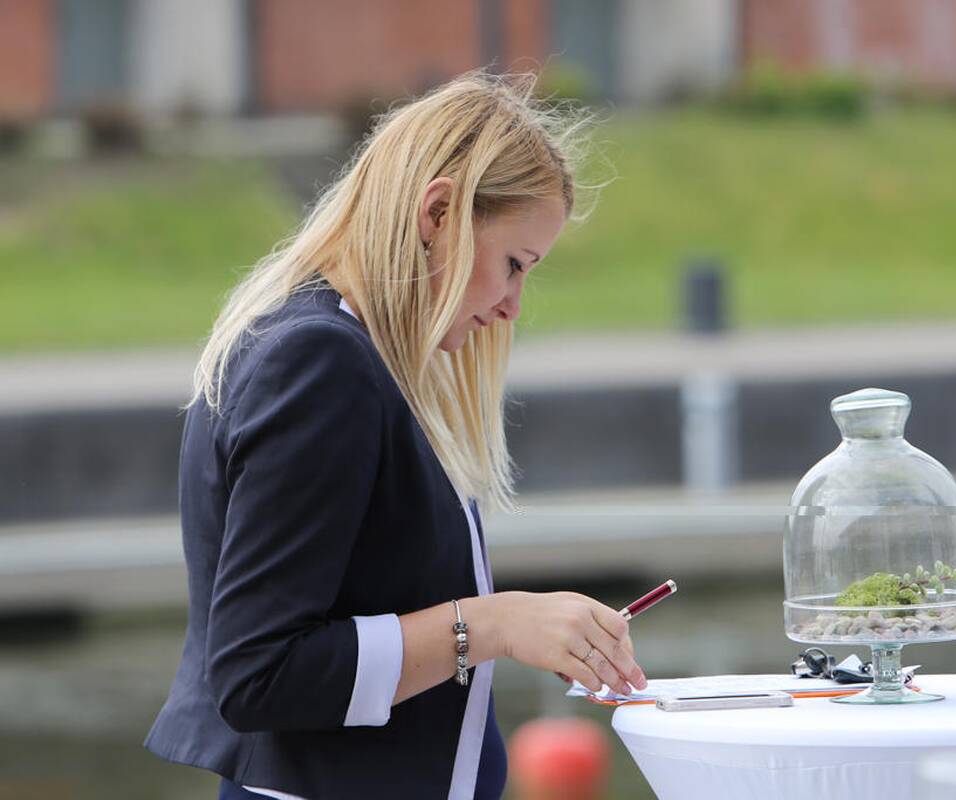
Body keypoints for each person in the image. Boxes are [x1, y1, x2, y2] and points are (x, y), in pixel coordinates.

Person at [144, 71, 647, 800]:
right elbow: (260, 673)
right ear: (438, 212)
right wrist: (493, 624)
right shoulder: (321, 363)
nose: (512, 306)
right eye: (513, 265)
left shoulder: (341, 352)